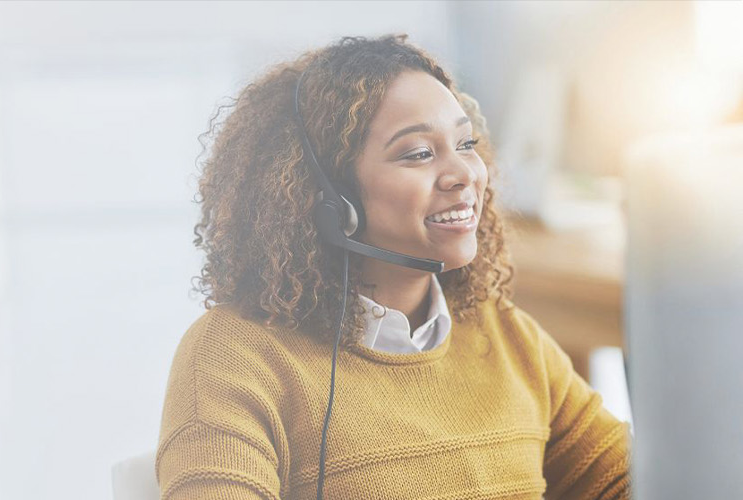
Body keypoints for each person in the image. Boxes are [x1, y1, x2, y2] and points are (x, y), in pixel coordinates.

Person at [156, 34, 631, 499]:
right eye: (419, 153)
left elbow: (632, 481)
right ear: (329, 200)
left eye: (465, 144)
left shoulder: (505, 334)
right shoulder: (234, 358)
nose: (465, 174)